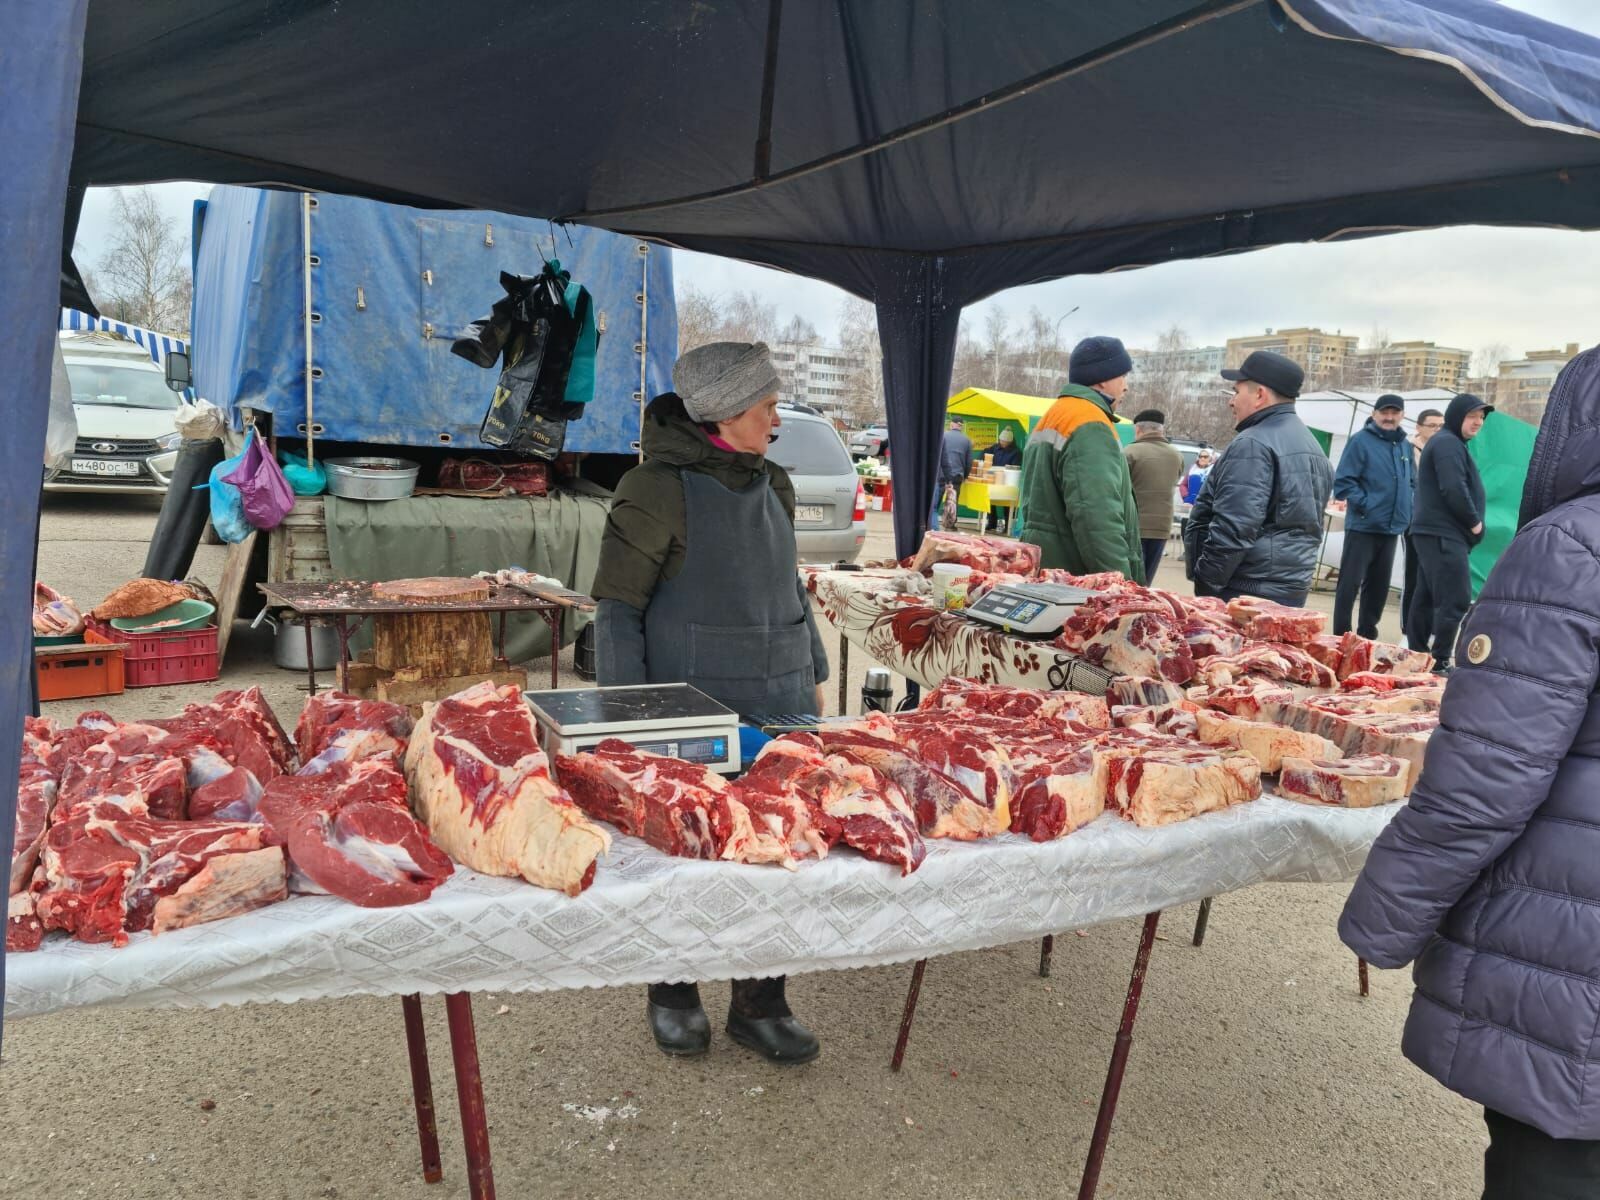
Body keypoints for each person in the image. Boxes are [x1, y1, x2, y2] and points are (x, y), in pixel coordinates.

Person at [1338, 347, 1600, 1199]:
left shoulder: (1573, 548)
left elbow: (1484, 783)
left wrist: (1379, 922)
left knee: (1551, 1169)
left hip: (1572, 961)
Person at [591, 341, 828, 1065]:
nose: (776, 419)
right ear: (725, 415)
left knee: (777, 847)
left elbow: (790, 589)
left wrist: (815, 671)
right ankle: (674, 991)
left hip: (781, 694)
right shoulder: (651, 488)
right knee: (685, 851)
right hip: (692, 703)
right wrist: (629, 719)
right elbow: (616, 609)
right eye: (767, 408)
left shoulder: (775, 482)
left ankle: (761, 1003)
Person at [1183, 351, 1332, 605]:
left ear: (1259, 395)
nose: (1232, 402)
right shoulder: (1312, 446)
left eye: (1236, 392)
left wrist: (1207, 586)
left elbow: (1234, 528)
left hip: (1246, 590)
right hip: (1290, 590)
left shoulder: (1253, 443)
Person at [1017, 335, 1144, 580]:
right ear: (1103, 379)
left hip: (1051, 570)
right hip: (1076, 582)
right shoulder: (1090, 423)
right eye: (1122, 376)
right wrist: (1123, 589)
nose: (1126, 386)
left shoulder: (1057, 413)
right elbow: (1097, 520)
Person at [1407, 392, 1491, 673]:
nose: (1478, 422)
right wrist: (1474, 522)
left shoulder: (1451, 443)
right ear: (1457, 416)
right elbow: (1453, 488)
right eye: (1472, 416)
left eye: (1481, 417)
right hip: (1443, 533)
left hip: (1434, 532)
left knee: (1427, 596)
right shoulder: (1448, 444)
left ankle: (1417, 657)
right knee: (1455, 598)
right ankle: (1440, 660)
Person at [1331, 394, 1414, 638]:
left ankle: (1367, 636)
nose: (1389, 417)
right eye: (1384, 412)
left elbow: (1412, 481)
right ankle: (1341, 636)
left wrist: (1407, 505)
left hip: (1391, 528)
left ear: (1402, 415)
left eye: (1394, 412)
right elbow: (1344, 482)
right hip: (1364, 526)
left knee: (1378, 587)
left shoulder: (1404, 445)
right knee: (1350, 584)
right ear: (1374, 414)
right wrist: (1367, 505)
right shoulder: (1360, 441)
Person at [1122, 408, 1185, 584]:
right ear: (1161, 430)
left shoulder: (1129, 453)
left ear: (1138, 429)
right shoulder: (1176, 455)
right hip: (1162, 527)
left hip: (1134, 526)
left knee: (1130, 583)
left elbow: (1120, 488)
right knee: (1146, 582)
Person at [1400, 407, 1445, 647]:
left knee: (1433, 578)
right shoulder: (1407, 450)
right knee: (1413, 577)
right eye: (1432, 425)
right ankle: (1407, 630)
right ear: (1418, 427)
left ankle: (1431, 630)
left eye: (1441, 426)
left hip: (1437, 525)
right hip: (1413, 522)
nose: (1437, 430)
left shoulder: (1446, 450)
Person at [931, 416, 973, 529]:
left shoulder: (943, 436)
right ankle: (951, 524)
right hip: (957, 476)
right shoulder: (967, 440)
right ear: (961, 426)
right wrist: (966, 475)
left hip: (941, 474)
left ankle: (932, 523)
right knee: (952, 501)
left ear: (951, 424)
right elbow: (969, 462)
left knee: (935, 502)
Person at [980, 427, 1021, 531]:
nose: (1002, 443)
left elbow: (1015, 466)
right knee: (989, 500)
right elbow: (985, 453)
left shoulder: (1016, 452)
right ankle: (992, 522)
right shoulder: (995, 447)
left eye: (1004, 441)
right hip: (994, 477)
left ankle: (1008, 526)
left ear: (1010, 442)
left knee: (1008, 503)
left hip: (1008, 480)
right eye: (1001, 440)